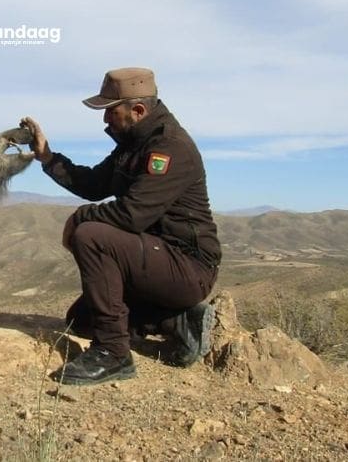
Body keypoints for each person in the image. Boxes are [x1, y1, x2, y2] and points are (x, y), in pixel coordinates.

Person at [20, 67, 221, 386]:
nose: (105, 121)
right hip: (152, 261)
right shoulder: (133, 144)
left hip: (188, 268)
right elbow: (95, 184)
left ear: (137, 110)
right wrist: (48, 157)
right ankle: (174, 319)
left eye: (110, 112)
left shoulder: (170, 148)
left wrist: (79, 219)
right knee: (81, 321)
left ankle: (114, 354)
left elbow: (132, 216)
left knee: (91, 235)